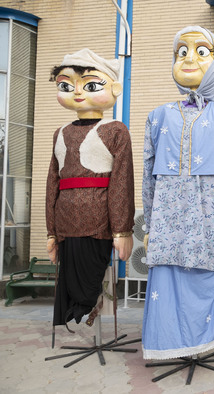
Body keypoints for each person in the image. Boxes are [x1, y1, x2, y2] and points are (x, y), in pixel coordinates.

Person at [141, 25, 214, 360]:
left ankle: (206, 344)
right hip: (168, 228)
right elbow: (149, 176)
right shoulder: (157, 117)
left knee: (210, 282)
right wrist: (148, 226)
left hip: (213, 227)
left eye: (201, 51)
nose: (189, 58)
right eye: (182, 52)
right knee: (169, 286)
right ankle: (171, 345)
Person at [46, 49, 135, 328]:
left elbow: (122, 182)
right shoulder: (59, 133)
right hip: (65, 220)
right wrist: (51, 231)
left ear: (114, 89)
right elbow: (52, 182)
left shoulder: (115, 130)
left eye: (91, 85)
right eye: (67, 86)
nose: (78, 93)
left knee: (91, 276)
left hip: (99, 219)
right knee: (70, 277)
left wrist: (122, 229)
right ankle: (76, 311)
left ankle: (87, 308)